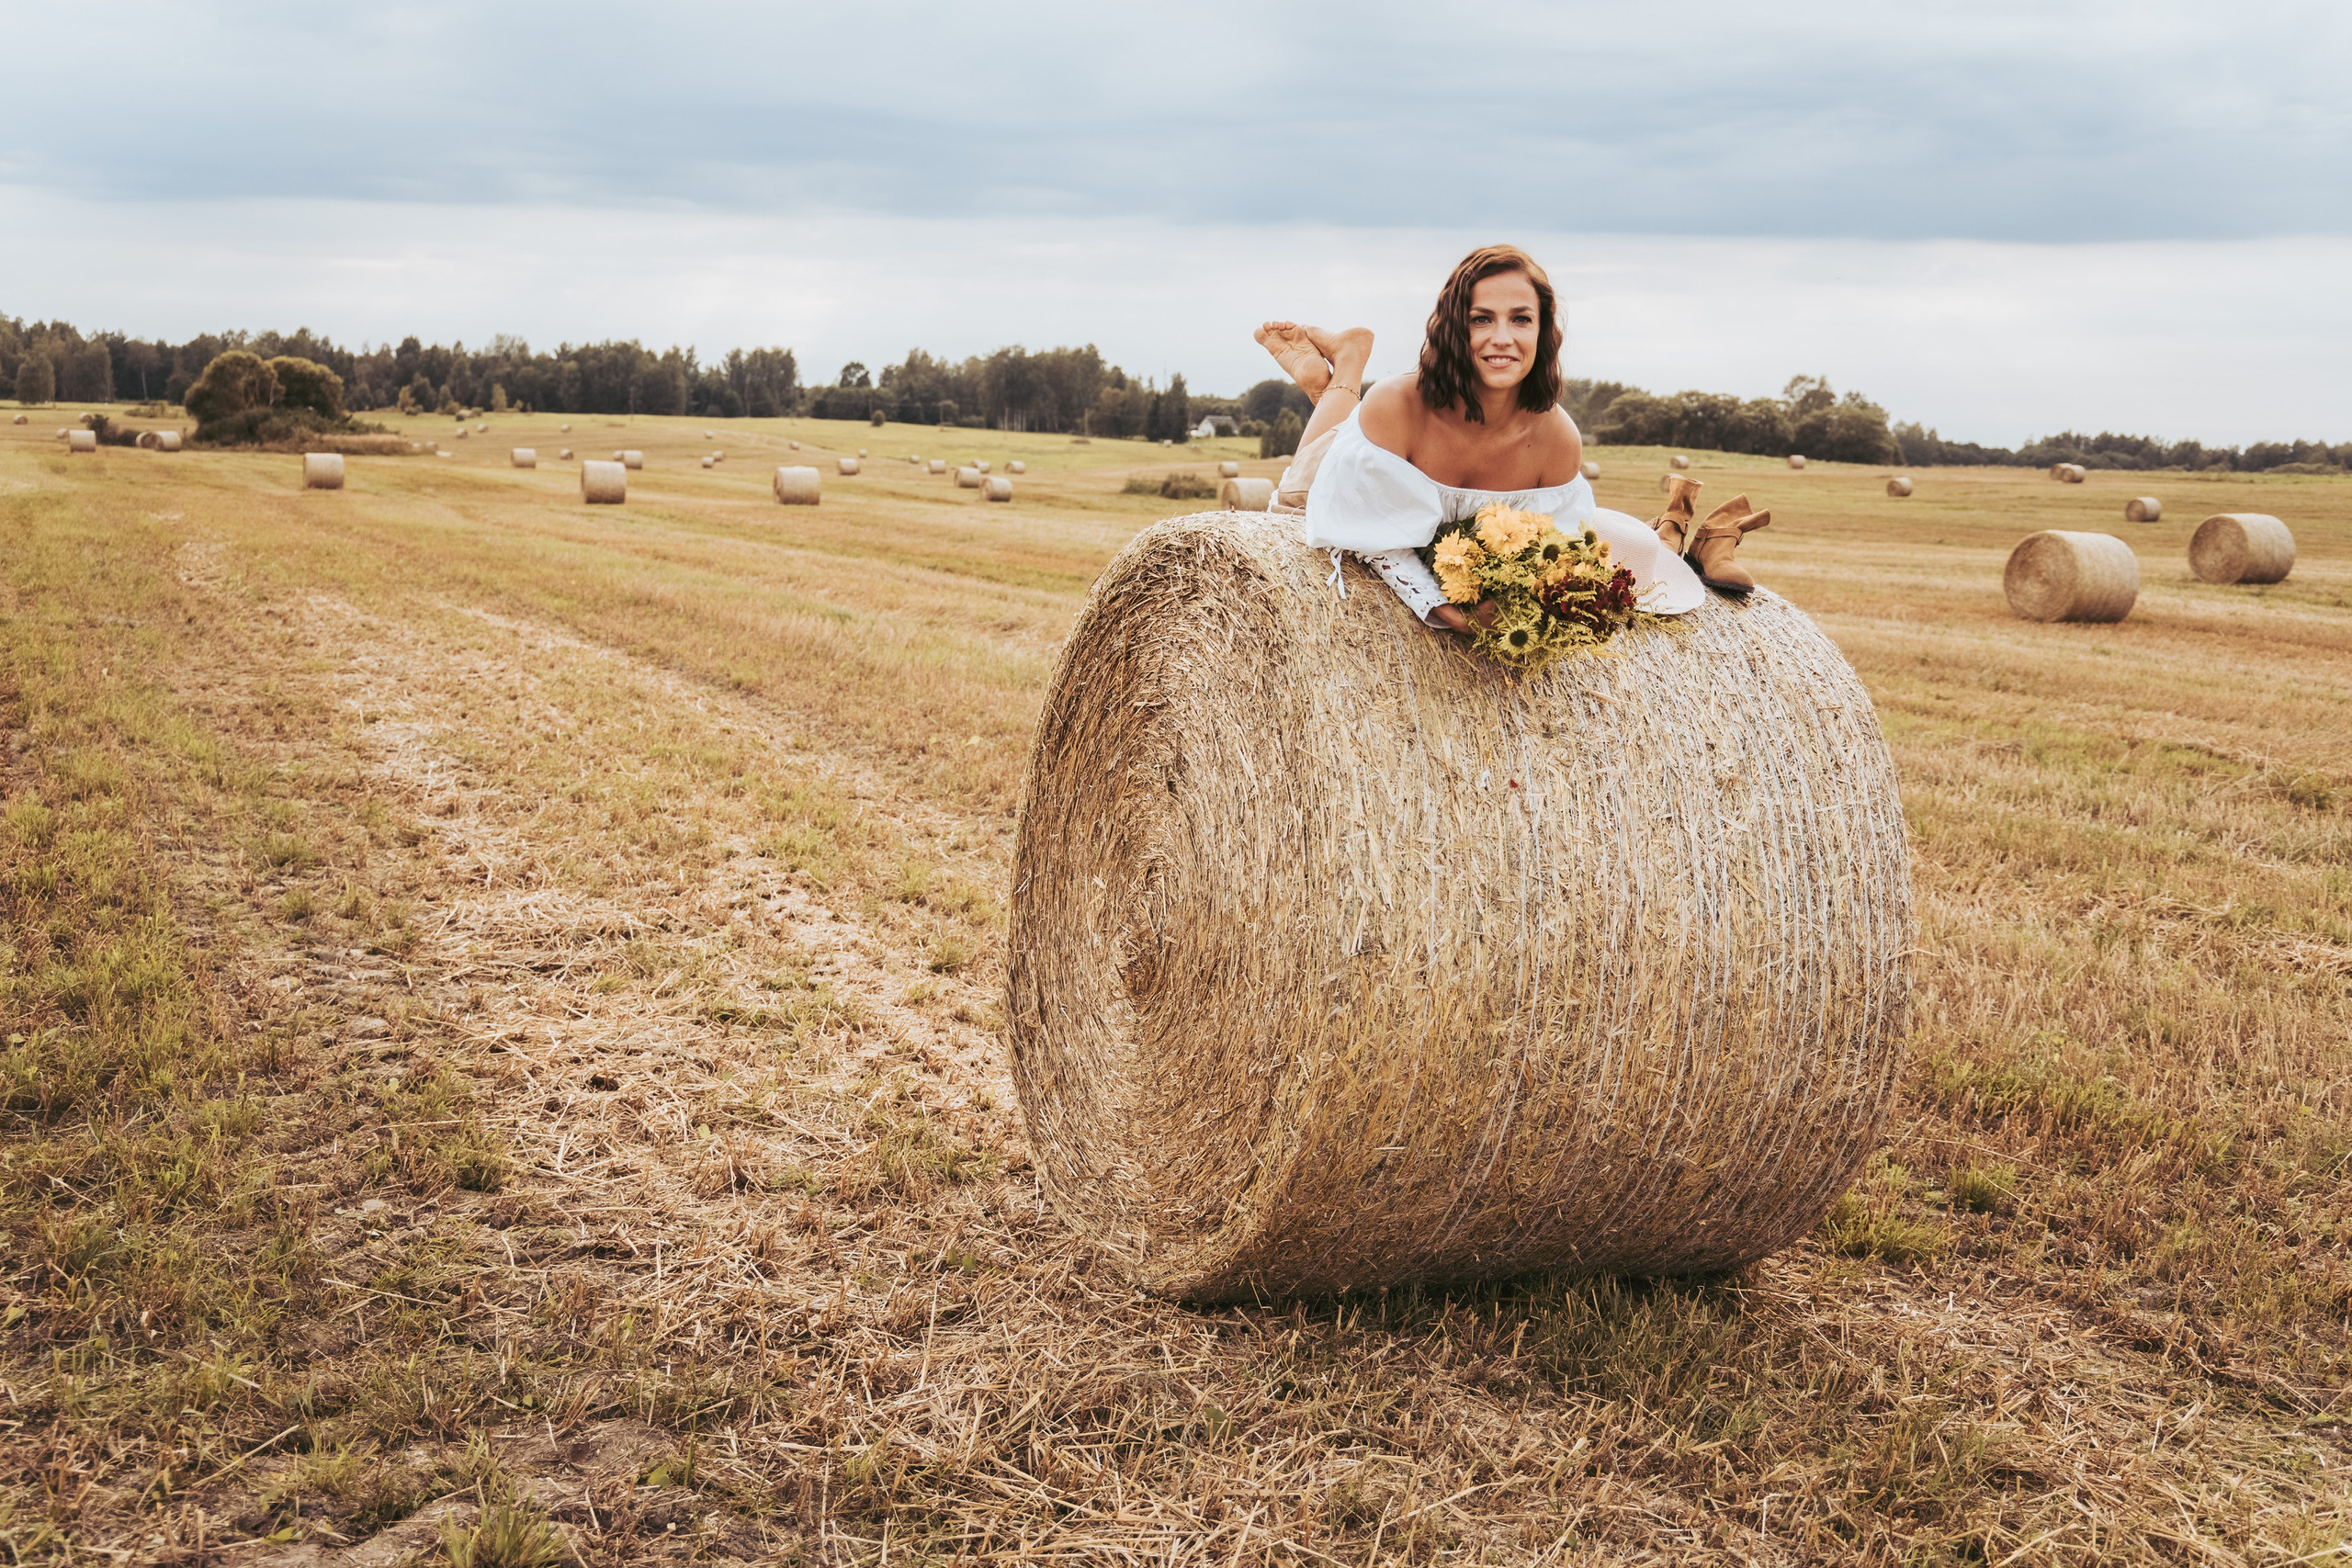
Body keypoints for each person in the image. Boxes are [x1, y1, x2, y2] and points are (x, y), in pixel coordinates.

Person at [1253, 244, 1770, 629]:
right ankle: (1344, 368)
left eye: (1521, 319)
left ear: (1543, 331)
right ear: (1456, 328)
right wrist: (1443, 606)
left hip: (1420, 491)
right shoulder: (1397, 403)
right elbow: (1375, 540)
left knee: (1628, 553)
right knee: (1295, 502)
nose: (1503, 338)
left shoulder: (1557, 439)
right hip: (1362, 471)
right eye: (1482, 320)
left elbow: (1544, 552)